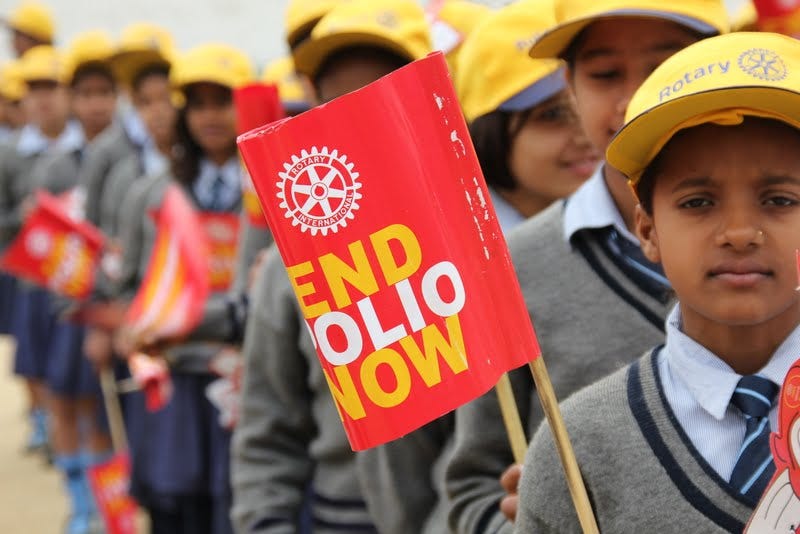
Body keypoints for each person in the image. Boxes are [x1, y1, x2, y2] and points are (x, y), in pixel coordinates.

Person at [444, 1, 729, 532]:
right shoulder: (511, 268)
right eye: (604, 74)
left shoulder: (781, 248)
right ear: (570, 90)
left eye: (666, 64)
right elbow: (470, 490)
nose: (637, 97)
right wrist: (533, 519)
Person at [516, 29, 800, 532]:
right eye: (698, 202)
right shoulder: (581, 442)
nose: (738, 233)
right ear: (647, 230)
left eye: (780, 199)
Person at [353, 2, 598, 533]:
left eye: (584, 102)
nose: (585, 133)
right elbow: (404, 463)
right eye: (552, 115)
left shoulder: (648, 236)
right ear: (486, 130)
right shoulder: (427, 265)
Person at [230, 1, 431, 532]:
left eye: (382, 96)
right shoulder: (288, 266)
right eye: (339, 102)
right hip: (341, 517)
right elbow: (268, 426)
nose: (360, 120)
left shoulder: (482, 242)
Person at [112, 42, 253, 534]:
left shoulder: (271, 191)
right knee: (175, 508)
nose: (210, 116)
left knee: (240, 506)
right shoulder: (152, 193)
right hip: (174, 379)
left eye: (223, 100)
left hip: (245, 379)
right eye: (198, 103)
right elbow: (126, 281)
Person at [27, 30, 118, 534]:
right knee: (64, 401)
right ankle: (79, 499)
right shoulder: (57, 165)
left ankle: (108, 502)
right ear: (70, 99)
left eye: (104, 93)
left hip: (108, 305)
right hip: (65, 302)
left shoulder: (129, 161)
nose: (95, 104)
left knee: (102, 408)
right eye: (84, 94)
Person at [0, 44, 83, 458]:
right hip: (32, 276)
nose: (43, 97)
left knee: (76, 373)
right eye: (34, 88)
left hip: (79, 282)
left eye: (51, 86)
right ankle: (45, 424)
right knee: (33, 358)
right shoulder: (10, 152)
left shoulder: (87, 147)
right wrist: (23, 217)